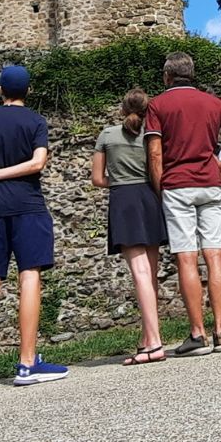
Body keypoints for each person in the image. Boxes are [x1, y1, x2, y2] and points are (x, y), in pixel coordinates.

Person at [0, 64, 69, 391]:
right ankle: (27, 363)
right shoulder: (36, 121)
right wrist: (0, 174)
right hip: (27, 206)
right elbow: (38, 163)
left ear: (0, 91)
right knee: (29, 276)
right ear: (28, 92)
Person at [145, 52, 221, 355]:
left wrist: (160, 188)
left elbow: (155, 154)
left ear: (167, 76)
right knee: (215, 254)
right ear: (192, 74)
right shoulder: (212, 102)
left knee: (186, 257)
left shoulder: (157, 105)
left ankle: (198, 334)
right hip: (210, 183)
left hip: (178, 184)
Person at [93, 89, 168, 365]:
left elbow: (97, 179)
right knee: (151, 274)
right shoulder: (152, 134)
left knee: (139, 274)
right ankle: (149, 336)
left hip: (123, 199)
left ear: (123, 108)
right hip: (150, 197)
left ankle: (154, 342)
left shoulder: (107, 136)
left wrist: (119, 181)